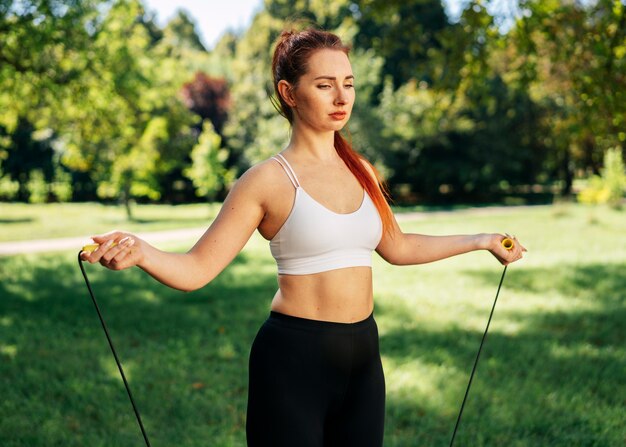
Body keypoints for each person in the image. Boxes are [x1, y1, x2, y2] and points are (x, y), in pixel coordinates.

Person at [80, 27, 526, 447]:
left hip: (363, 356)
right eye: (324, 84)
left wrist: (482, 239)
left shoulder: (362, 170)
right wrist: (142, 252)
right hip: (293, 360)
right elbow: (196, 269)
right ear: (289, 93)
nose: (341, 97)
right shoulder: (267, 181)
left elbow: (398, 246)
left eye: (348, 84)